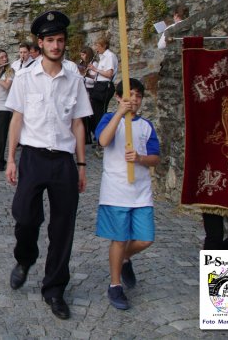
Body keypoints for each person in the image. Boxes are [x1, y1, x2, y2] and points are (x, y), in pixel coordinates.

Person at [5, 10, 93, 320]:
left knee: (62, 229)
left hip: (64, 161)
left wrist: (81, 165)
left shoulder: (74, 77)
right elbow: (16, 118)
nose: (56, 45)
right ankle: (25, 258)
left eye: (61, 40)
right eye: (50, 40)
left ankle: (54, 289)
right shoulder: (25, 77)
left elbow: (79, 124)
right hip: (33, 157)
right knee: (25, 218)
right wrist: (11, 159)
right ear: (39, 43)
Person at [94, 78, 161, 311]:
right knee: (119, 238)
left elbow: (155, 158)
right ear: (118, 97)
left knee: (146, 238)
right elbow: (103, 140)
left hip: (141, 192)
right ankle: (115, 285)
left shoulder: (146, 126)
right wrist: (119, 113)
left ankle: (123, 259)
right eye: (129, 95)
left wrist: (140, 159)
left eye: (138, 96)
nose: (133, 99)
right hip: (115, 191)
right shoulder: (108, 119)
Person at [86, 36, 118, 137]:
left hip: (105, 87)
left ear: (104, 46)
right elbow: (99, 75)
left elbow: (109, 74)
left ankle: (103, 135)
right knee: (94, 111)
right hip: (99, 85)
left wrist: (95, 69)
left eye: (97, 46)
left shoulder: (110, 56)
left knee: (101, 112)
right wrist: (88, 74)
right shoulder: (103, 57)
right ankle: (98, 135)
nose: (96, 48)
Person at [78, 46, 97, 144]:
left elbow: (95, 79)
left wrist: (85, 77)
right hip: (83, 90)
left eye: (83, 55)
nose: (81, 57)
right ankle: (86, 135)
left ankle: (94, 135)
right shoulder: (82, 64)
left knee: (91, 114)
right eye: (81, 55)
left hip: (90, 90)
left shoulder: (93, 64)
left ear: (88, 54)